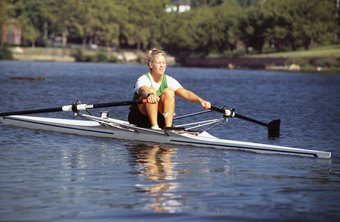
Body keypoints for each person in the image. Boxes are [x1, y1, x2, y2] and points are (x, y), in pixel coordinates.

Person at [128, 48, 211, 129]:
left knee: (169, 92)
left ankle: (168, 128)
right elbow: (144, 90)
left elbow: (185, 93)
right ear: (150, 65)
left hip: (159, 118)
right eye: (158, 63)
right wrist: (149, 95)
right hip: (139, 118)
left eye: (163, 63)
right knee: (152, 90)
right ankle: (154, 127)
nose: (162, 66)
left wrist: (201, 101)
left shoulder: (169, 80)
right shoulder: (143, 79)